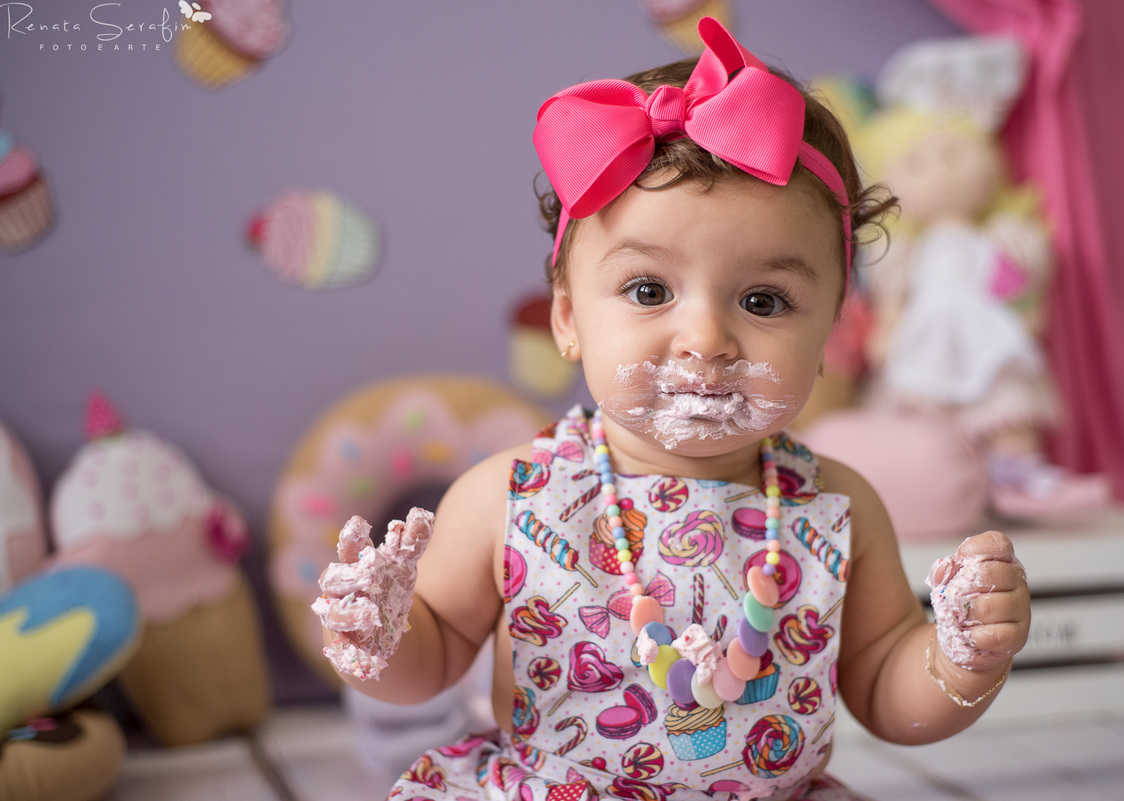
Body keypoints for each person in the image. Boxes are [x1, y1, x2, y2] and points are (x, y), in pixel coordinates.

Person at [315, 18, 1031, 801]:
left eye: (764, 299)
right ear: (567, 318)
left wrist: (960, 662)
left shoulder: (835, 507)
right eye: (649, 290)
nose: (706, 338)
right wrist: (381, 639)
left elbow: (889, 689)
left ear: (830, 332)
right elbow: (436, 656)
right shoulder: (509, 496)